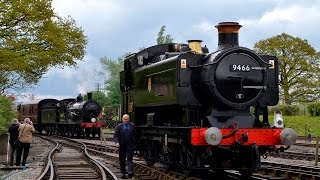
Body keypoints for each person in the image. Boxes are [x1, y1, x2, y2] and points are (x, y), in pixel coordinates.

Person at [114, 114, 136, 178]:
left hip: (130, 145)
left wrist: (135, 143)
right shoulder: (119, 126)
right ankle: (123, 172)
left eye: (127, 119)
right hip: (122, 145)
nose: (126, 120)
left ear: (129, 119)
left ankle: (130, 171)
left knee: (129, 158)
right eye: (125, 119)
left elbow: (135, 135)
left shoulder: (132, 126)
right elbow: (115, 136)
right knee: (122, 159)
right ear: (122, 119)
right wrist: (117, 142)